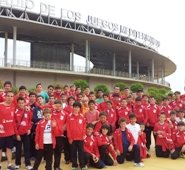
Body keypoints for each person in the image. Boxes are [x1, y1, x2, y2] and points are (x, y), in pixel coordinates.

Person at [66, 101, 86, 170]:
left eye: (78, 107)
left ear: (80, 108)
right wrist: (69, 138)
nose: (76, 108)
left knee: (81, 152)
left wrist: (83, 135)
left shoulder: (82, 116)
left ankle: (82, 165)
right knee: (73, 152)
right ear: (73, 107)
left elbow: (84, 127)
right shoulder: (69, 116)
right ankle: (74, 165)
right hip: (73, 138)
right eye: (75, 107)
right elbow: (68, 128)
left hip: (80, 138)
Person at [14, 97, 32, 170]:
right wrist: (17, 134)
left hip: (26, 134)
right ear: (17, 103)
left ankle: (28, 164)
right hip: (18, 134)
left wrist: (29, 129)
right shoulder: (15, 111)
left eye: (22, 103)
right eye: (20, 103)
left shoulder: (28, 111)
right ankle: (17, 163)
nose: (21, 104)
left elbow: (30, 121)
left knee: (27, 149)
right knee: (18, 150)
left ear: (25, 103)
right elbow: (14, 124)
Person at [0, 91, 16, 170]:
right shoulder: (0, 106)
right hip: (1, 132)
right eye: (8, 96)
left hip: (10, 132)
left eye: (11, 96)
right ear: (5, 97)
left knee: (9, 148)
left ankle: (9, 165)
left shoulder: (13, 106)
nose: (10, 97)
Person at [52, 100, 67, 170]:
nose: (57, 107)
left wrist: (64, 126)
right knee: (50, 152)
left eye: (59, 106)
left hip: (60, 136)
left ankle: (56, 166)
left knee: (58, 152)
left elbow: (67, 122)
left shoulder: (65, 114)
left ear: (61, 106)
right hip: (51, 136)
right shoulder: (51, 113)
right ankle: (48, 167)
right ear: (54, 106)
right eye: (56, 106)